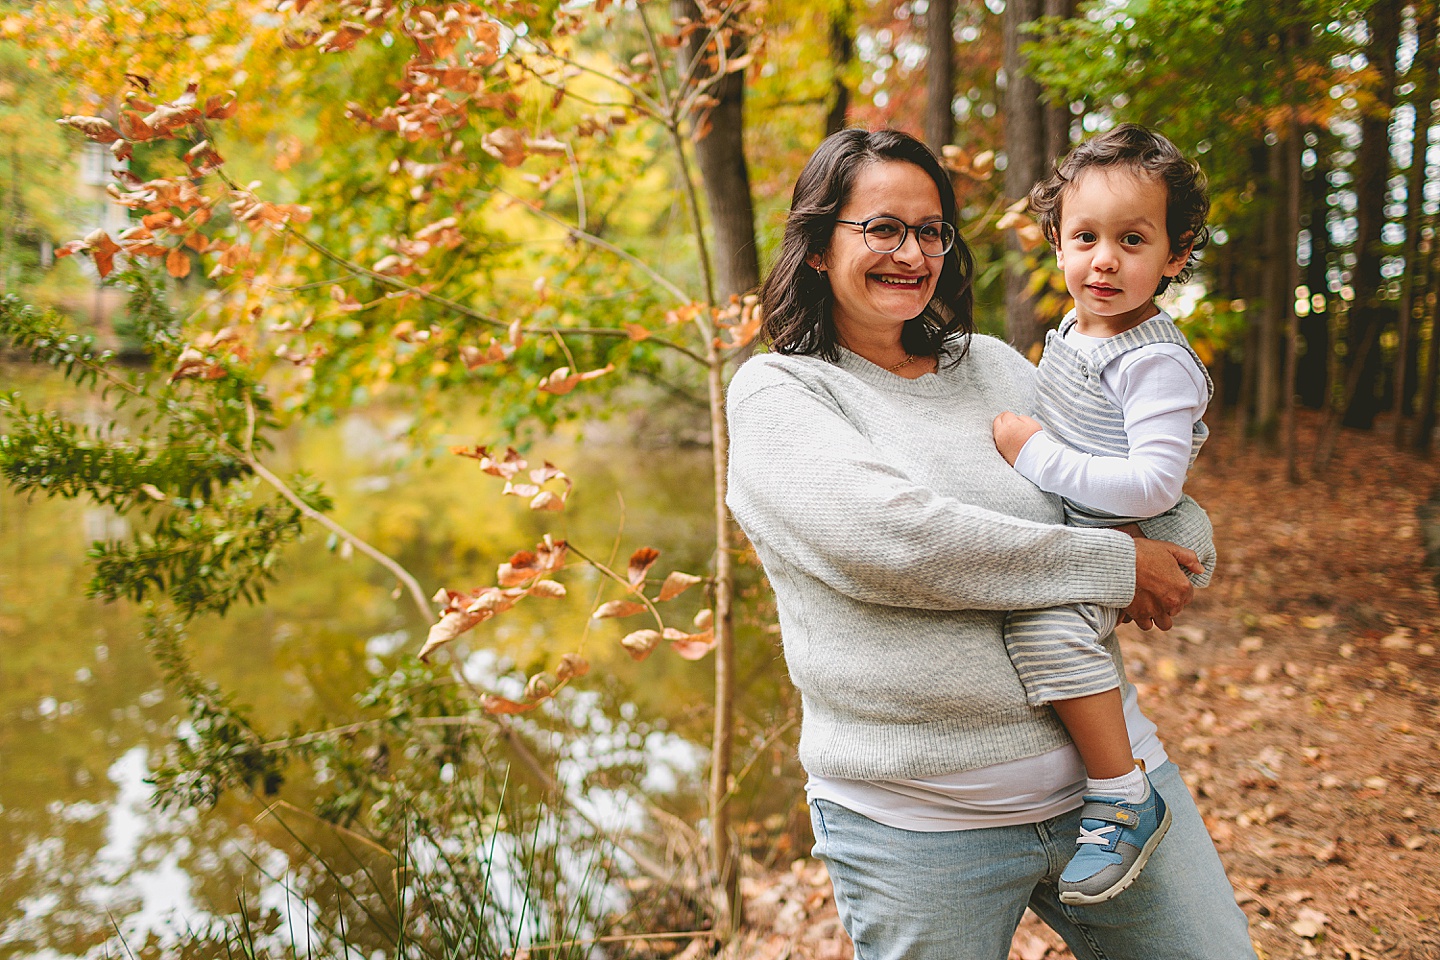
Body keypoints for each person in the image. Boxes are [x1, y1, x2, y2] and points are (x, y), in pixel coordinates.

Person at [725, 127, 1255, 960]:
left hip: (1112, 794)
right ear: (820, 244)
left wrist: (1181, 546)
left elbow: (1130, 492)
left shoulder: (1001, 368)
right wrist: (1118, 565)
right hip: (920, 822)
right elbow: (899, 545)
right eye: (882, 228)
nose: (911, 252)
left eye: (930, 230)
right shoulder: (779, 393)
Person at [989, 124, 1217, 906]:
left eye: (1132, 238)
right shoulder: (1079, 333)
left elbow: (1154, 481)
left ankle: (1123, 792)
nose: (1105, 259)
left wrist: (1032, 455)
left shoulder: (1153, 360)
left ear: (1176, 253)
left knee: (1042, 625)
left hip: (1144, 528)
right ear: (1057, 240)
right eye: (1085, 236)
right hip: (1089, 520)